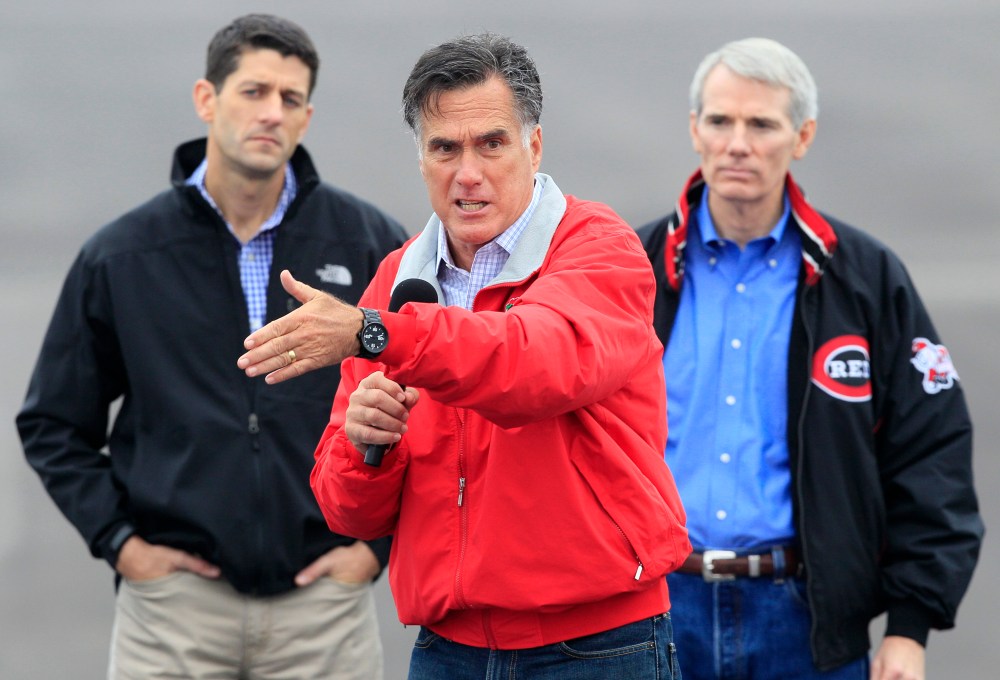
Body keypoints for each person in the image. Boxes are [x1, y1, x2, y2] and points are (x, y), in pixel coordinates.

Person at [237, 32, 692, 680]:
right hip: (448, 650)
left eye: (492, 143)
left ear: (533, 146)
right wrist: (368, 447)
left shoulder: (598, 247)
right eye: (444, 148)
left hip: (597, 647)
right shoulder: (398, 276)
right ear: (421, 159)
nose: (468, 172)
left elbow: (530, 364)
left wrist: (377, 335)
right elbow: (347, 511)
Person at [17, 14, 407, 679]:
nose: (271, 113)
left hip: (324, 610)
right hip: (174, 612)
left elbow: (432, 401)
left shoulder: (369, 244)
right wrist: (122, 545)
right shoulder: (122, 256)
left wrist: (375, 547)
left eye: (290, 99)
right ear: (207, 99)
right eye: (253, 91)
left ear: (307, 118)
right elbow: (52, 422)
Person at [637, 37, 983, 679]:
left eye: (761, 124)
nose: (738, 142)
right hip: (652, 613)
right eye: (720, 121)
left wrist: (910, 628)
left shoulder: (865, 278)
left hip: (804, 622)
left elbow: (931, 450)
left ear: (802, 137)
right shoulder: (632, 269)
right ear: (695, 130)